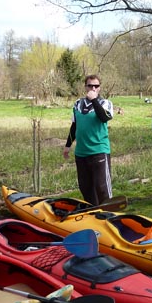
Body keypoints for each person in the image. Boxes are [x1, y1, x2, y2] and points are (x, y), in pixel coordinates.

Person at [63, 74, 113, 206]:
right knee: (85, 187)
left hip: (99, 151)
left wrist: (94, 100)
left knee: (102, 188)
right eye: (90, 85)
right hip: (81, 153)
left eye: (96, 86)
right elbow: (74, 126)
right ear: (85, 87)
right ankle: (94, 214)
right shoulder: (78, 104)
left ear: (99, 88)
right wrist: (68, 145)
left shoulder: (105, 103)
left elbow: (104, 117)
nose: (93, 88)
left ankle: (109, 215)